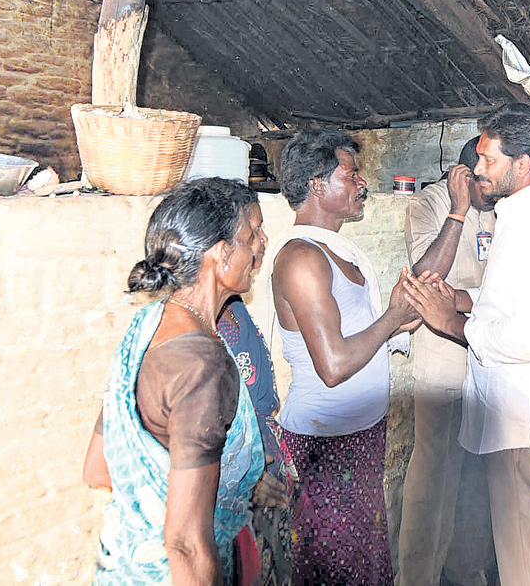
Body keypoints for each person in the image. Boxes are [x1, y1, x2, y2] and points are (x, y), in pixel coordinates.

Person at [404, 103, 530, 586]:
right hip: (512, 423)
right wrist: (468, 298)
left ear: (523, 163)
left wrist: (454, 322)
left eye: (488, 159)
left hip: (525, 429)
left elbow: (526, 339)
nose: (477, 170)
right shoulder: (523, 216)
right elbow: (515, 300)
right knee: (520, 562)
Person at [83, 177, 267, 585]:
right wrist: (204, 508)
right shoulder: (203, 366)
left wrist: (218, 489)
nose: (261, 245)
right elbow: (184, 542)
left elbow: (99, 468)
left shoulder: (148, 327)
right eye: (252, 233)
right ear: (220, 255)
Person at [270, 130, 419, 586]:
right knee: (333, 568)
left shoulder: (336, 251)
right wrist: (392, 315)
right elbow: (333, 366)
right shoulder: (301, 258)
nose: (361, 183)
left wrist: (398, 319)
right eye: (350, 174)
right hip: (326, 443)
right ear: (317, 185)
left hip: (359, 434)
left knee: (360, 563)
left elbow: (362, 336)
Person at [398, 136, 497, 586]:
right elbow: (426, 277)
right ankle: (417, 577)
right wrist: (458, 209)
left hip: (484, 360)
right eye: (481, 180)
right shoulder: (430, 204)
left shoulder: (501, 208)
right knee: (431, 477)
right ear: (461, 174)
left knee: (473, 477)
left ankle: (463, 570)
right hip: (440, 362)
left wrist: (464, 302)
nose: (491, 189)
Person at [217, 297, 295, 586]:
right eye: (248, 246)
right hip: (237, 485)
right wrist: (242, 482)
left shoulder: (236, 308)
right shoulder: (199, 328)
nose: (260, 248)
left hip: (269, 458)